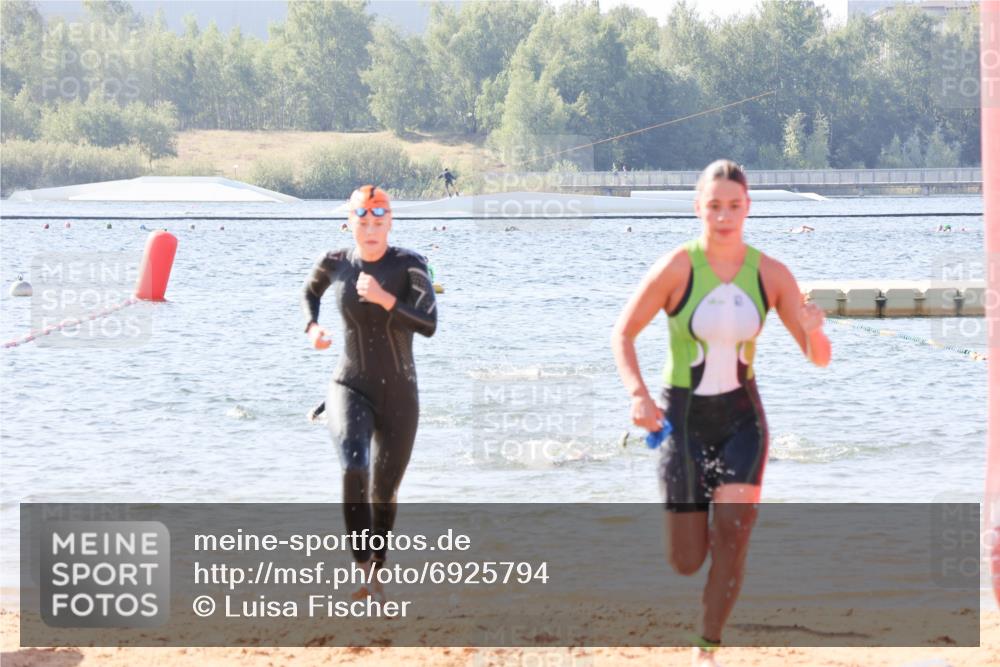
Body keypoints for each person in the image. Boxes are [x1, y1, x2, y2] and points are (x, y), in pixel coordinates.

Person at [611, 160, 831, 667]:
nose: (724, 216)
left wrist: (814, 328)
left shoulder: (771, 274)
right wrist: (638, 394)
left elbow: (818, 358)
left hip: (742, 422)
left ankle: (707, 648)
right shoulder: (677, 268)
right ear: (698, 209)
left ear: (748, 207)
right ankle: (705, 531)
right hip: (683, 420)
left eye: (734, 206)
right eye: (714, 206)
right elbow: (622, 334)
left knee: (733, 537)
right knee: (687, 560)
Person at [302, 185, 438, 599]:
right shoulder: (335, 262)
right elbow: (310, 291)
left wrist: (385, 300)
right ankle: (361, 570)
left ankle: (377, 571)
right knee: (354, 467)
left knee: (383, 491)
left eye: (380, 221)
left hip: (400, 394)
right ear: (350, 223)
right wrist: (312, 327)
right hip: (349, 385)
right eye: (363, 220)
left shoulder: (410, 265)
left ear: (390, 223)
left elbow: (429, 324)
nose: (372, 229)